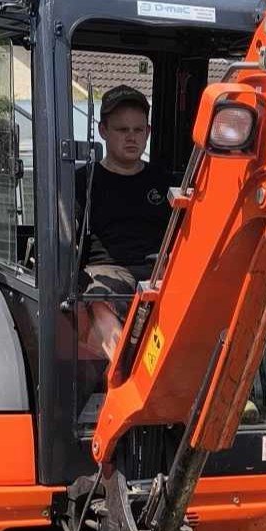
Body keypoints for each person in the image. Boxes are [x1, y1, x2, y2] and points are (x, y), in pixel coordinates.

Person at [77, 84, 170, 353]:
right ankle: (123, 377)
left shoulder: (164, 182)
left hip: (157, 267)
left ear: (148, 133)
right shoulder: (83, 182)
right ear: (103, 131)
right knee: (102, 296)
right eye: (122, 130)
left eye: (138, 130)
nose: (131, 138)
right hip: (106, 269)